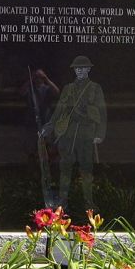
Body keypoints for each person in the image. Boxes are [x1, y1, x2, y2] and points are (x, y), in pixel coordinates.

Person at [41, 56, 107, 209]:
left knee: (86, 169)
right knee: (65, 168)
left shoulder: (95, 88)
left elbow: (102, 112)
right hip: (68, 134)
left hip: (86, 133)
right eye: (77, 68)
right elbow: (59, 110)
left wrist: (99, 133)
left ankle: (88, 202)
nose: (79, 70)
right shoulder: (68, 88)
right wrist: (49, 126)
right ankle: (63, 201)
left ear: (88, 69)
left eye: (83, 67)